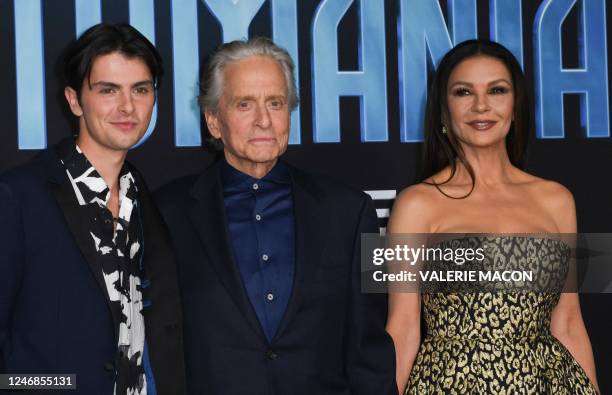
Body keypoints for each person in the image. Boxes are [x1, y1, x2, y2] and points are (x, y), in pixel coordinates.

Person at [154, 37, 397, 395]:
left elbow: (371, 349)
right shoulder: (165, 213)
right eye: (244, 104)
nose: (264, 120)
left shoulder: (352, 211)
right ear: (213, 122)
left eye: (276, 103)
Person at [386, 39, 600, 394]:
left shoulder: (556, 200)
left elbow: (569, 322)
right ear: (442, 112)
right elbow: (404, 328)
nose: (481, 106)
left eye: (497, 90)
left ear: (516, 106)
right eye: (463, 92)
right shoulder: (416, 205)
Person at [0, 24, 185, 395]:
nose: (127, 107)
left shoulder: (145, 197)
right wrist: (52, 388)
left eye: (141, 90)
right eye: (108, 90)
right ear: (74, 100)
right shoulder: (18, 197)